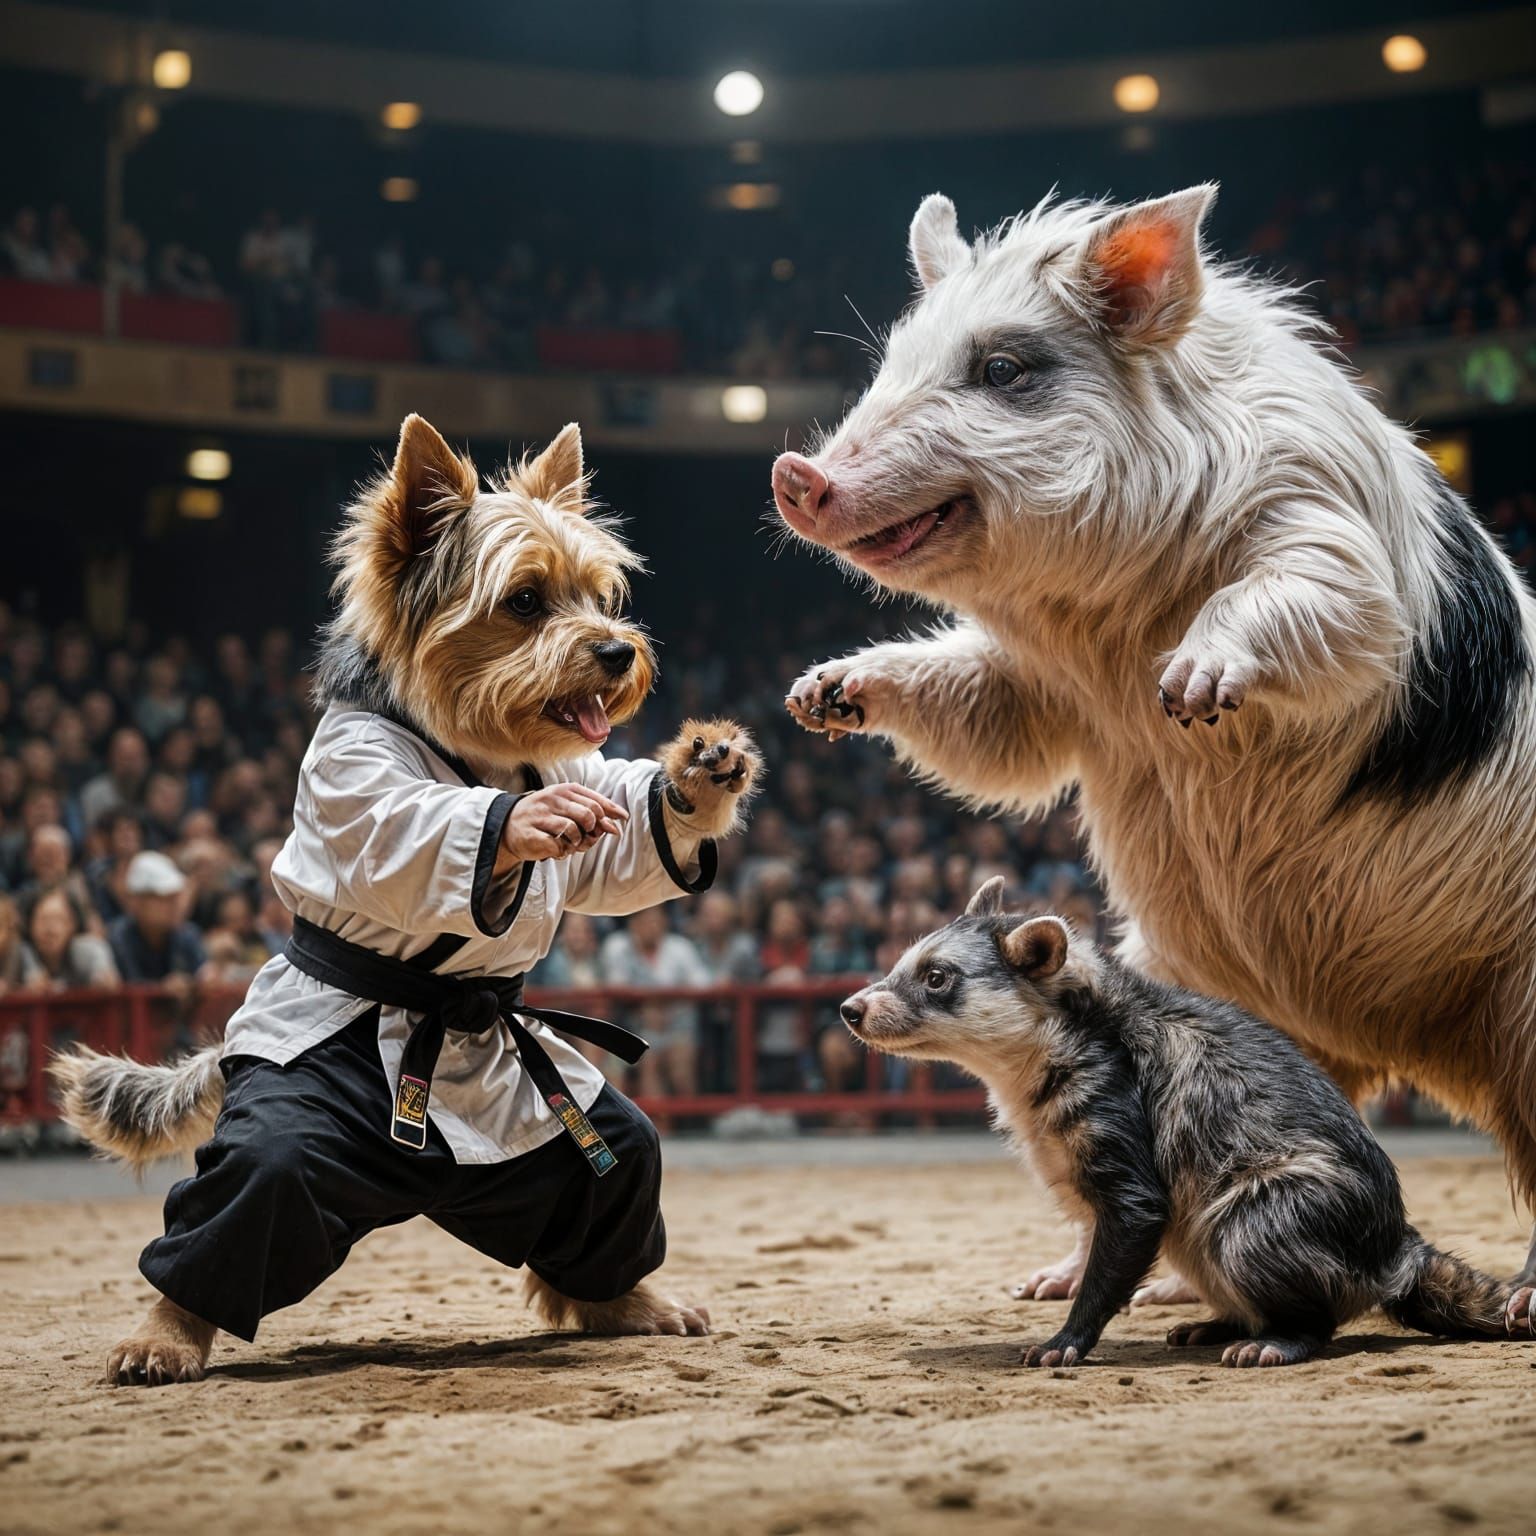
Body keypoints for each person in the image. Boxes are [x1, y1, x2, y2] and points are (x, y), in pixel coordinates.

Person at [601, 906, 709, 1097]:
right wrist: (646, 1008)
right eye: (645, 921)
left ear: (665, 922)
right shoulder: (618, 946)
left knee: (681, 1068)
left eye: (656, 921)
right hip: (635, 1027)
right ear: (633, 924)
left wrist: (665, 1005)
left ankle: (690, 1116)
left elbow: (703, 985)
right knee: (648, 1062)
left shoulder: (680, 948)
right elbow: (616, 987)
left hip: (677, 1024)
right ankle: (656, 1117)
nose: (652, 927)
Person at [107, 851, 205, 987]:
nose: (174, 904)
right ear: (137, 901)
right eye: (163, 897)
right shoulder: (118, 937)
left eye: (175, 897)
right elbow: (130, 985)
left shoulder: (188, 935)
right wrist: (164, 988)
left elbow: (203, 975)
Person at [20, 887, 118, 989]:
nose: (50, 929)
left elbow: (106, 975)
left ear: (73, 924)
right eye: (43, 920)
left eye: (58, 919)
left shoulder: (88, 950)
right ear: (29, 924)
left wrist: (103, 979)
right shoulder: (21, 954)